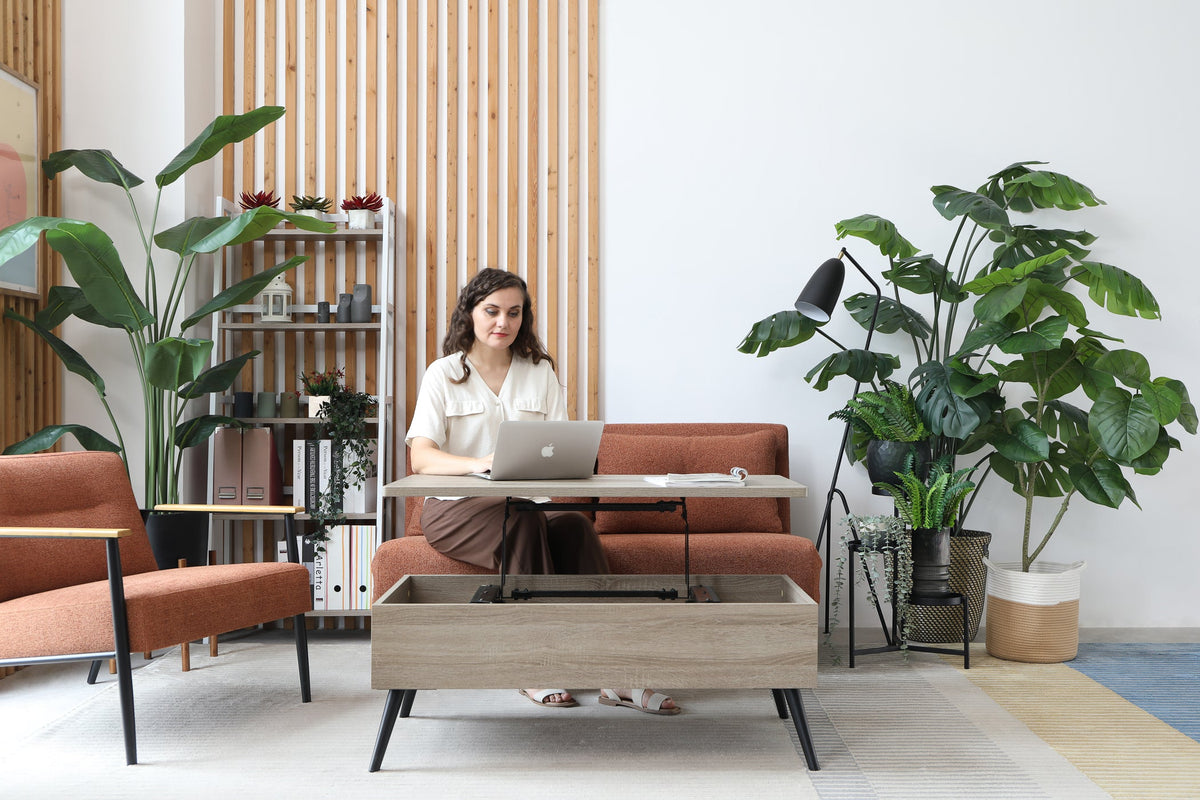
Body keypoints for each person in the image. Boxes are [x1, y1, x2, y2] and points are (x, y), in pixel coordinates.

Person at [405, 267, 679, 715]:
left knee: (575, 528)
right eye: (491, 311)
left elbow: (560, 446)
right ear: (469, 313)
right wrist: (481, 464)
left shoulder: (539, 373)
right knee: (525, 522)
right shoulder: (444, 374)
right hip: (454, 509)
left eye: (514, 313)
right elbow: (422, 457)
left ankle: (619, 673)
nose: (503, 322)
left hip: (526, 505)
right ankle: (535, 662)